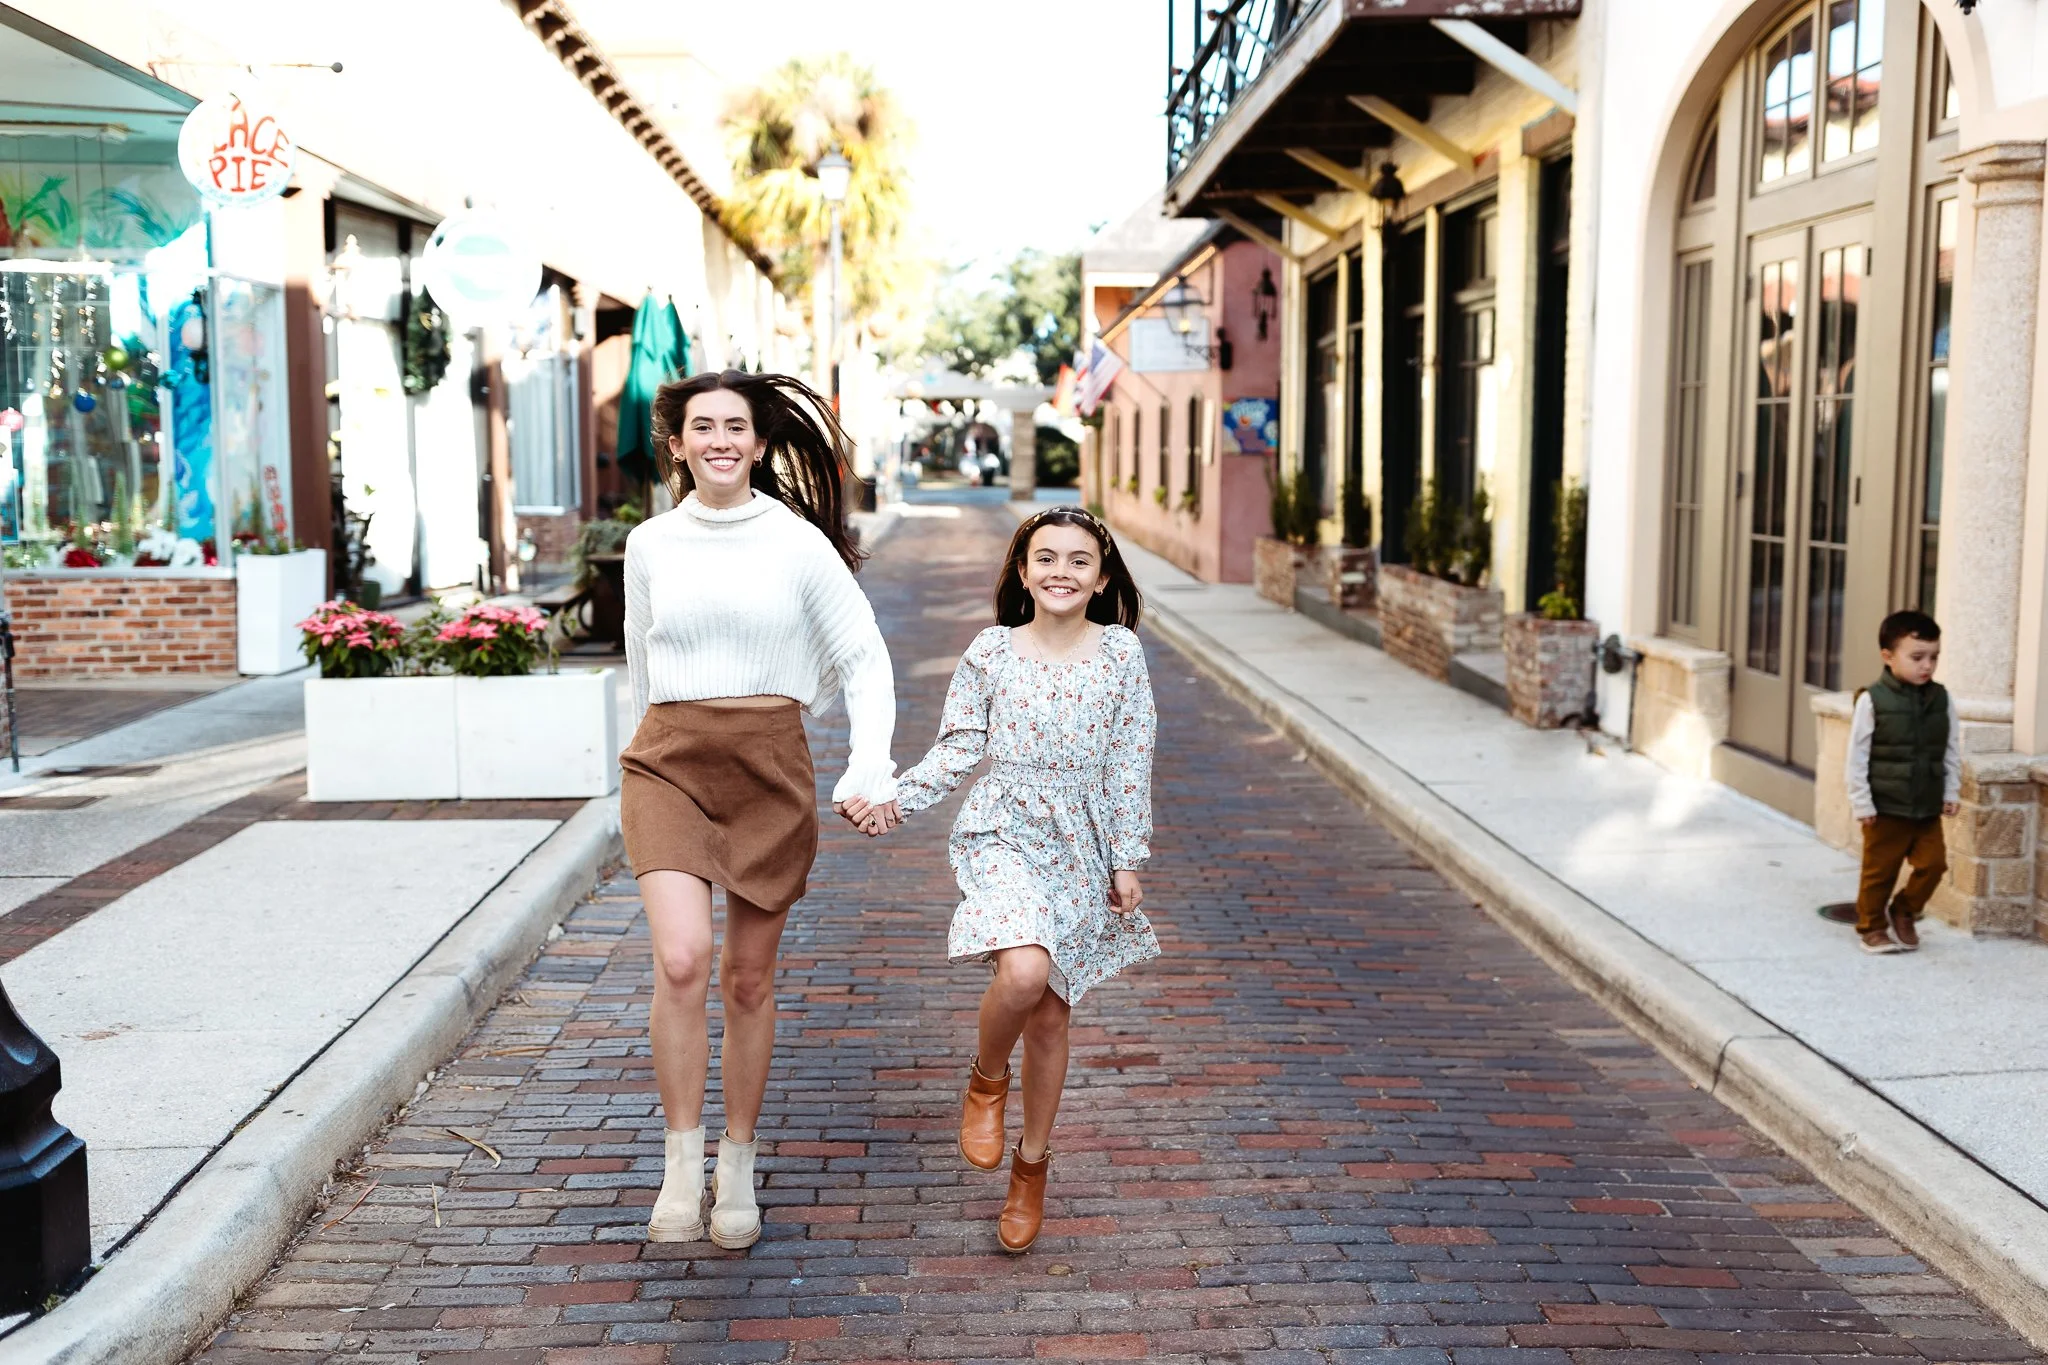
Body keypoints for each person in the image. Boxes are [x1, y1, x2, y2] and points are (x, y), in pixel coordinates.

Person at [623, 370, 900, 1249]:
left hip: (769, 765)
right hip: (668, 759)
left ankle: (736, 1163)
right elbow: (641, 666)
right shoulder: (650, 544)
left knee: (747, 976)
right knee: (682, 957)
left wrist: (869, 763)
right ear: (677, 443)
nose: (718, 440)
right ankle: (679, 1163)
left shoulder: (796, 544)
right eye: (701, 426)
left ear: (761, 443)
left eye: (734, 426)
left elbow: (865, 657)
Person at [842, 506, 1159, 1253]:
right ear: (1022, 572)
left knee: (1051, 1015)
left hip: (1081, 838)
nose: (1060, 571)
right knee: (1023, 970)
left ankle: (1032, 1165)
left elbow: (1128, 758)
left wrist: (1126, 855)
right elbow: (959, 746)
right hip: (1005, 829)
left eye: (1078, 560)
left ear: (1101, 577)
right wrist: (896, 800)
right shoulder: (991, 650)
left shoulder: (1120, 654)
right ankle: (986, 1078)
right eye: (1045, 557)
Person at [1844, 609, 1961, 955]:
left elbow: (1952, 748)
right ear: (1888, 656)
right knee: (1879, 872)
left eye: (1933, 657)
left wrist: (1951, 790)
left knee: (1934, 864)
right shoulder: (1872, 700)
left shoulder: (1942, 699)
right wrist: (1862, 802)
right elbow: (1857, 757)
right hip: (1886, 806)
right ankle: (1872, 927)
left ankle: (1904, 910)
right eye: (1917, 657)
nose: (1927, 666)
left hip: (1926, 805)